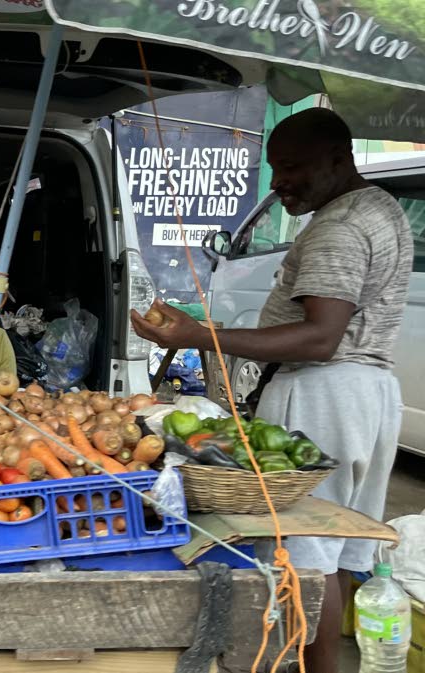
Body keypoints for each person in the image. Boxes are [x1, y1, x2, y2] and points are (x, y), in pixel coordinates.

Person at [130, 108, 412, 673]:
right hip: (368, 392)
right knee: (328, 557)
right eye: (274, 167)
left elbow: (319, 337)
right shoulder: (379, 207)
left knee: (303, 556)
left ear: (338, 159)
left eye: (291, 167)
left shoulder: (340, 226)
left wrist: (199, 335)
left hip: (324, 391)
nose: (279, 181)